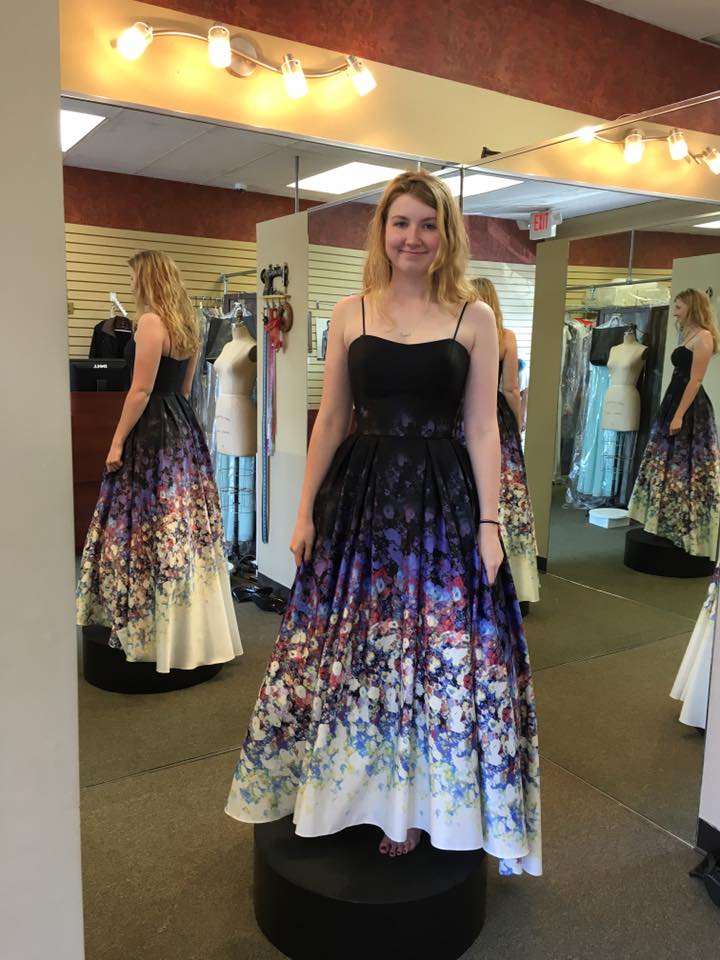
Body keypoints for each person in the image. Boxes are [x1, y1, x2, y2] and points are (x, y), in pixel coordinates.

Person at [226, 172, 541, 876]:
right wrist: (303, 510)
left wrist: (492, 524)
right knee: (356, 651)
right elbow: (332, 418)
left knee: (435, 657)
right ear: (383, 231)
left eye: (428, 225)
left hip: (441, 506)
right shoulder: (349, 312)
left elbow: (484, 428)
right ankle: (345, 791)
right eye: (401, 223)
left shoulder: (474, 318)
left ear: (446, 236)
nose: (413, 238)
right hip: (362, 505)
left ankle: (420, 807)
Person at [76, 250, 242, 673]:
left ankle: (147, 626)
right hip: (181, 428)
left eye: (133, 277)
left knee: (144, 525)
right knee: (179, 526)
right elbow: (184, 389)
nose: (130, 285)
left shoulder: (151, 323)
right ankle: (186, 625)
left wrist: (116, 442)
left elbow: (140, 391)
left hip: (151, 432)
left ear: (147, 278)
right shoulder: (187, 323)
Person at [628, 289, 720, 558]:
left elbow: (696, 380)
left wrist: (680, 414)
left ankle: (686, 527)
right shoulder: (687, 335)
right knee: (665, 461)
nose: (675, 310)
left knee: (685, 465)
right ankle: (664, 522)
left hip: (689, 407)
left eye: (679, 306)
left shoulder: (704, 337)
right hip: (673, 399)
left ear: (691, 307)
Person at [472, 277, 540, 605]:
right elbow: (511, 388)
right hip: (496, 418)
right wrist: (516, 421)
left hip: (463, 416)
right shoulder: (505, 337)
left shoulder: (461, 331)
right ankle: (517, 583)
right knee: (509, 499)